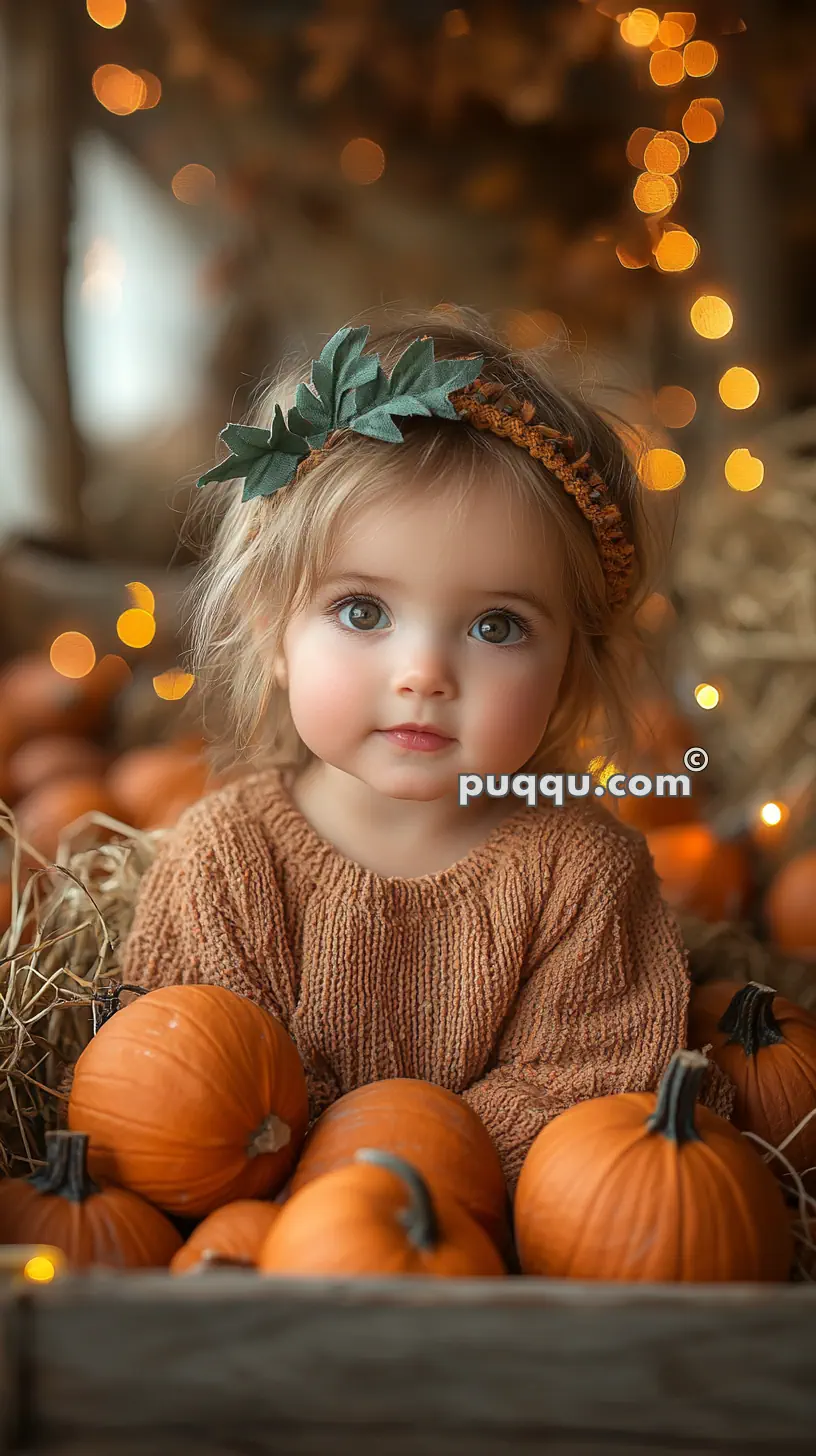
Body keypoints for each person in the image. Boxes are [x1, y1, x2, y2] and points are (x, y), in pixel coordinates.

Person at [118, 303, 733, 1194]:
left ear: (571, 666)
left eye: (496, 624)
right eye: (362, 610)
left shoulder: (583, 876)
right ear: (271, 634)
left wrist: (395, 1174)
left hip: (492, 1268)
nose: (425, 673)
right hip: (261, 1272)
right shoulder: (226, 863)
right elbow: (185, 1096)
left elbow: (589, 1096)